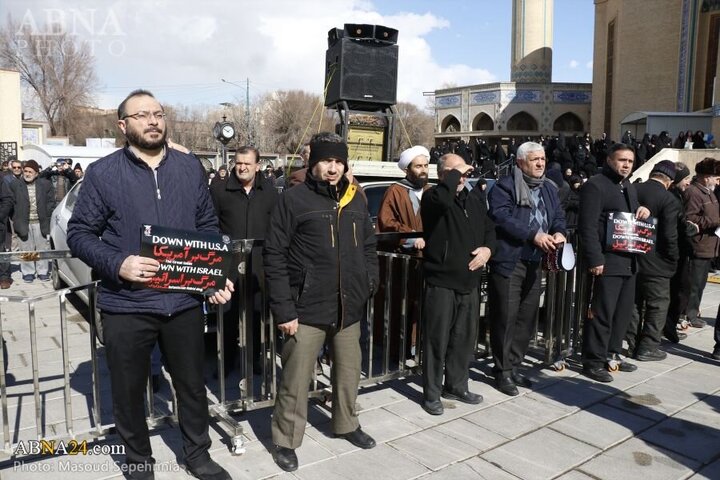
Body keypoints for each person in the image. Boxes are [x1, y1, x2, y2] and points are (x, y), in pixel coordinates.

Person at [67, 89, 233, 480]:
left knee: (192, 386)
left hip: (183, 303)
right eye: (141, 115)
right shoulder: (103, 173)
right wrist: (117, 263)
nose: (153, 121)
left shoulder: (190, 168)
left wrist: (212, 278)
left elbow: (206, 227)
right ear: (123, 125)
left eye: (157, 113)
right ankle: (139, 461)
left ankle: (198, 455)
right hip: (126, 304)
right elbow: (79, 233)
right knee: (127, 391)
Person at [263, 132, 379, 472]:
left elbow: (369, 245)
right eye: (326, 161)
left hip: (348, 306)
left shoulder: (356, 199)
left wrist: (369, 282)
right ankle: (286, 440)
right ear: (313, 164)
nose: (332, 168)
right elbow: (274, 254)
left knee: (348, 373)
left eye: (338, 162)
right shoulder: (293, 200)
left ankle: (347, 424)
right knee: (296, 380)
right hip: (306, 307)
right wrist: (284, 309)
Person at [487, 142, 566, 396]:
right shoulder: (505, 186)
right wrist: (533, 235)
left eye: (542, 159)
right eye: (535, 160)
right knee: (505, 317)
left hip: (536, 262)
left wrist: (559, 232)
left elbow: (559, 217)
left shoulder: (549, 189)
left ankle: (514, 365)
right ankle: (502, 371)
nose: (541, 164)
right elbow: (501, 217)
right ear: (521, 163)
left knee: (526, 318)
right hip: (511, 261)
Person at [420, 153, 496, 414]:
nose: (462, 176)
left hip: (469, 281)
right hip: (441, 281)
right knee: (436, 340)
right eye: (456, 172)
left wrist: (488, 250)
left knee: (463, 339)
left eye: (464, 172)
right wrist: (455, 174)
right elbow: (442, 199)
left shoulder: (474, 197)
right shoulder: (433, 196)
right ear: (442, 175)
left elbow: (489, 228)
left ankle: (456, 385)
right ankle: (431, 393)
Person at [578, 143, 650, 383]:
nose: (626, 165)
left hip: (629, 260)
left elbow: (630, 215)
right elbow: (587, 227)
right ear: (609, 160)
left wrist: (642, 210)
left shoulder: (628, 185)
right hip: (607, 261)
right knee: (601, 312)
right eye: (621, 160)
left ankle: (612, 353)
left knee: (621, 313)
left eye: (630, 161)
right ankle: (593, 360)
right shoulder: (596, 185)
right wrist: (595, 258)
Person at [210, 145, 278, 375]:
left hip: (258, 265)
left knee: (256, 315)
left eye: (247, 164)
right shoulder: (220, 190)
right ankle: (227, 361)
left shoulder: (269, 191)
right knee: (227, 316)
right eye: (238, 163)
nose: (242, 167)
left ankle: (254, 359)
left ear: (257, 166)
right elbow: (211, 225)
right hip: (228, 266)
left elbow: (275, 227)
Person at [377, 145, 431, 358]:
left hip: (424, 262)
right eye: (418, 166)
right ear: (407, 169)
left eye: (426, 165)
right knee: (399, 307)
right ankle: (395, 351)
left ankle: (416, 348)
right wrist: (411, 238)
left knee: (421, 307)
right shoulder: (395, 191)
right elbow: (386, 222)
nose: (423, 170)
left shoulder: (430, 191)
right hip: (401, 262)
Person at [625, 160, 679, 361]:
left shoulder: (632, 189)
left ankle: (631, 344)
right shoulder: (668, 199)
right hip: (657, 262)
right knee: (657, 304)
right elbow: (669, 235)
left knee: (634, 302)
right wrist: (672, 258)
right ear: (669, 181)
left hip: (629, 256)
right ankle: (648, 346)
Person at [683, 158, 720, 329]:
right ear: (706, 177)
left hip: (709, 246)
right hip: (698, 245)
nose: (717, 180)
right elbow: (690, 218)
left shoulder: (709, 192)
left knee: (701, 283)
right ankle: (688, 314)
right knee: (694, 283)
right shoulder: (693, 192)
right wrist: (714, 221)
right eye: (715, 177)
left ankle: (693, 310)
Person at [10, 159, 56, 283]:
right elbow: (10, 202)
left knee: (42, 248)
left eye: (30, 172)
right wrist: (15, 217)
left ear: (36, 173)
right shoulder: (15, 185)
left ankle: (42, 271)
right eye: (25, 171)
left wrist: (48, 214)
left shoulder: (45, 184)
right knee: (26, 248)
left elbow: (51, 201)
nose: (27, 174)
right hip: (23, 222)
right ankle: (28, 272)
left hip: (40, 222)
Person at [664, 163, 695, 342]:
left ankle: (669, 325)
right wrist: (691, 229)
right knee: (678, 291)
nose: (688, 183)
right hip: (676, 252)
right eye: (685, 179)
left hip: (680, 251)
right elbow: (676, 227)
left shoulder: (678, 196)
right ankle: (668, 327)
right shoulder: (672, 198)